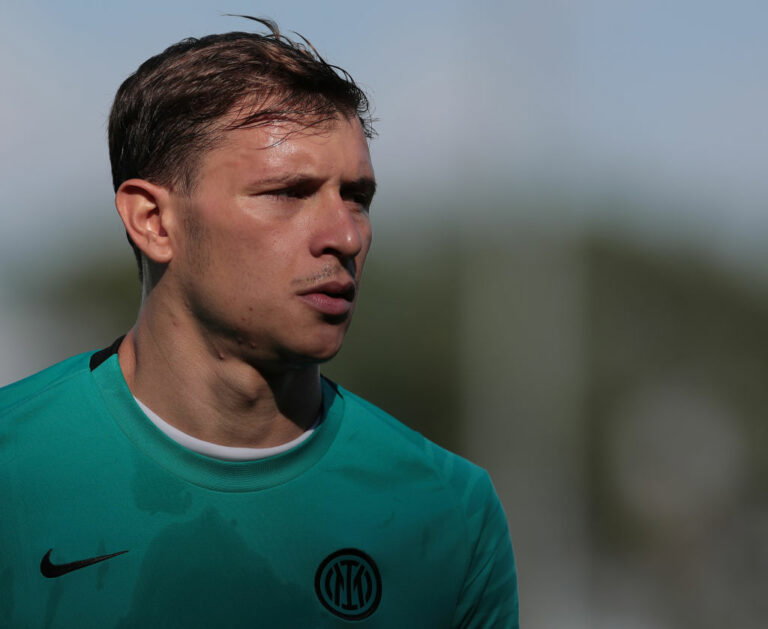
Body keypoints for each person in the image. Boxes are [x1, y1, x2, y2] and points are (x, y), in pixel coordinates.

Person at [0, 18, 518, 627]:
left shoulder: (447, 509)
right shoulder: (16, 468)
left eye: (357, 196)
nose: (345, 236)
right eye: (289, 192)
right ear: (153, 222)